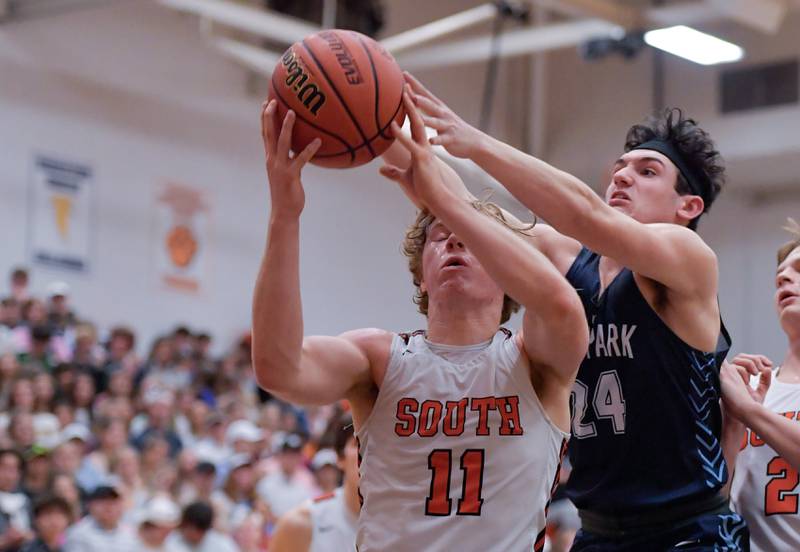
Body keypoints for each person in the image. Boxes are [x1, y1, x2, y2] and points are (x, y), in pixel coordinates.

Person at [401, 72, 745, 549]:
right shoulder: (566, 258)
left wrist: (474, 142)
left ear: (688, 205)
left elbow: (586, 214)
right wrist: (391, 137)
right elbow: (460, 211)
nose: (622, 175)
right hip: (598, 529)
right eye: (621, 166)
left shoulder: (688, 259)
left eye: (647, 171)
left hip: (686, 531)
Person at [251, 88, 587, 550]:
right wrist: (285, 217)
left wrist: (448, 202)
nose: (453, 241)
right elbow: (278, 368)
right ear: (421, 277)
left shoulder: (536, 360)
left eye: (472, 239)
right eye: (439, 237)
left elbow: (562, 304)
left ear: (509, 273)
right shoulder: (378, 359)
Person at [724, 219, 800, 552]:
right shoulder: (752, 389)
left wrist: (751, 413)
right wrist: (732, 424)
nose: (784, 277)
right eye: (780, 274)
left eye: (799, 269)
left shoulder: (750, 404)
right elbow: (715, 497)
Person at [270, 414, 359, 552]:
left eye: (381, 444)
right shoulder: (300, 524)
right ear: (340, 457)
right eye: (358, 443)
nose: (370, 452)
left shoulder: (403, 523)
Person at [63, 484, 136, 552]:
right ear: (90, 505)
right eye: (102, 501)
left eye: (113, 502)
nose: (108, 507)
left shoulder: (131, 533)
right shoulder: (77, 533)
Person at [164, 501, 238, 552]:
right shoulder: (171, 540)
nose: (189, 532)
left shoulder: (221, 544)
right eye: (187, 527)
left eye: (194, 530)